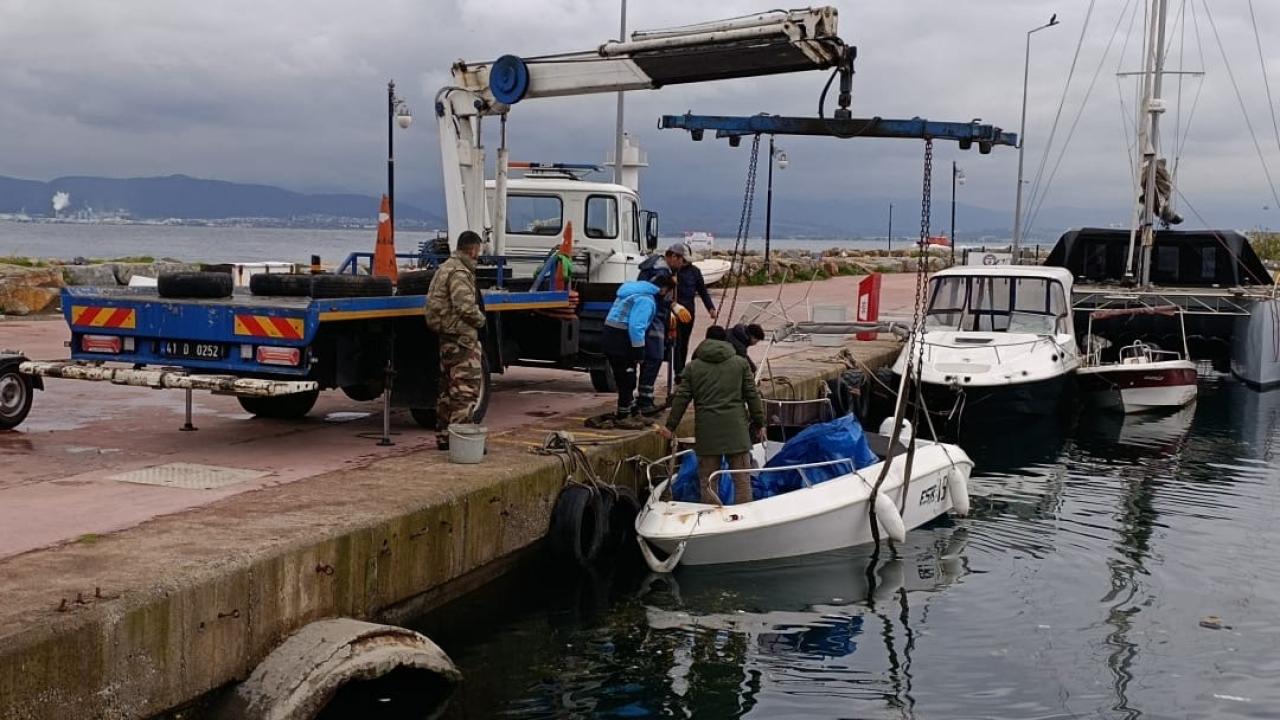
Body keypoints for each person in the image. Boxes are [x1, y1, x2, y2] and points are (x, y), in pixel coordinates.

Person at [660, 325, 766, 505]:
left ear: (706, 340)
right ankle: (744, 516)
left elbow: (681, 400)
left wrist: (670, 427)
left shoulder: (693, 367)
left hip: (707, 432)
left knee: (708, 482)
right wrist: (760, 423)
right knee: (741, 481)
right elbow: (752, 396)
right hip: (736, 431)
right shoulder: (740, 364)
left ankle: (709, 516)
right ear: (725, 340)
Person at [424, 230, 486, 451]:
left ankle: (443, 437)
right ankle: (461, 441)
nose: (479, 256)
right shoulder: (460, 272)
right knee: (464, 391)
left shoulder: (444, 268)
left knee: (446, 391)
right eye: (479, 251)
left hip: (447, 337)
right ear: (472, 249)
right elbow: (464, 306)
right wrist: (481, 320)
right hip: (461, 339)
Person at [601, 270, 668, 426]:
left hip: (612, 337)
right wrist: (639, 350)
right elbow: (636, 327)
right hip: (620, 340)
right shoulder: (646, 300)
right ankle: (624, 415)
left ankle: (631, 411)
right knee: (627, 378)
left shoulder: (632, 291)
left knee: (625, 377)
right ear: (663, 289)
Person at [635, 244, 688, 414]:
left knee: (652, 358)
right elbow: (655, 293)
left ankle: (645, 397)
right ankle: (644, 400)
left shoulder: (654, 266)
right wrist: (671, 304)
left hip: (655, 316)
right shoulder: (660, 272)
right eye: (681, 260)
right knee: (654, 357)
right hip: (653, 318)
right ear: (673, 257)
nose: (682, 265)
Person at [671, 245, 717, 381]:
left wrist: (711, 308)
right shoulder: (672, 271)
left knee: (684, 342)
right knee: (677, 342)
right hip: (674, 311)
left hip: (689, 311)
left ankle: (682, 369)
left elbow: (702, 291)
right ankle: (678, 372)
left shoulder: (695, 272)